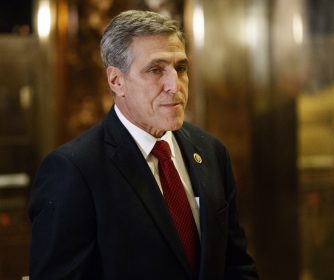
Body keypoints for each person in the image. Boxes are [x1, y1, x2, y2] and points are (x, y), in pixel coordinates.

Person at [28, 10, 258, 280]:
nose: (175, 85)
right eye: (155, 70)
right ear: (117, 81)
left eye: (181, 68)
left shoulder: (211, 152)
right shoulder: (73, 170)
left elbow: (236, 266)